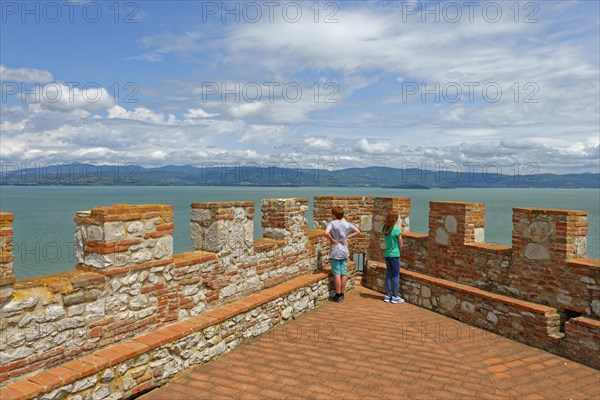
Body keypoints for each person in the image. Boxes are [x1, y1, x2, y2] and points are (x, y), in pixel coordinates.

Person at [325, 205, 361, 302]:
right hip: (344, 250)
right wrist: (347, 237)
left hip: (335, 250)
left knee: (337, 273)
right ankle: (342, 293)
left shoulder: (332, 224)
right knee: (343, 273)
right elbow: (358, 231)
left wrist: (332, 239)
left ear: (334, 215)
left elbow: (326, 233)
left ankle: (338, 294)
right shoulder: (346, 224)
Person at [382, 211, 405, 304]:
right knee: (396, 275)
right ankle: (395, 296)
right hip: (395, 255)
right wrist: (401, 252)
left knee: (389, 274)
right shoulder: (396, 230)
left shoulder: (384, 230)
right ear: (395, 220)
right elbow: (401, 244)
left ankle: (387, 295)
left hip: (387, 254)